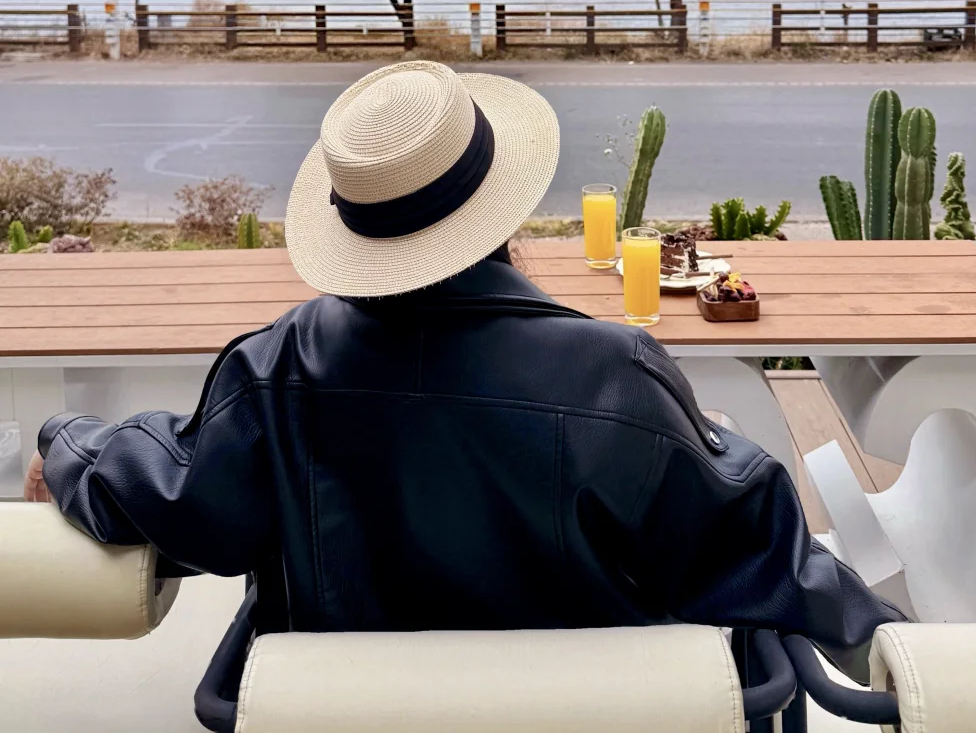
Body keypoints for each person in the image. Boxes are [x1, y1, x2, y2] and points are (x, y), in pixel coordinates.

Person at [26, 61, 899, 685]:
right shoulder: (615, 375)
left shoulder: (274, 373)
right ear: (498, 209)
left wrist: (68, 443)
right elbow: (752, 548)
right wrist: (896, 652)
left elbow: (169, 491)